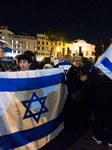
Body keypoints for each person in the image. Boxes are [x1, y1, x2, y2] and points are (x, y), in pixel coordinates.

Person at [86, 68, 112, 147]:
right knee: (110, 120)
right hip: (110, 100)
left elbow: (88, 85)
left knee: (99, 119)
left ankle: (99, 137)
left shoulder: (94, 73)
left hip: (98, 100)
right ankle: (110, 140)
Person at [65, 55, 88, 136]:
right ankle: (74, 129)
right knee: (74, 113)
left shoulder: (79, 70)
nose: (78, 62)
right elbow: (71, 83)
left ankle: (77, 126)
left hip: (79, 94)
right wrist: (80, 79)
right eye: (76, 60)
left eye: (79, 60)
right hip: (74, 95)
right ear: (72, 62)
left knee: (79, 112)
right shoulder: (72, 71)